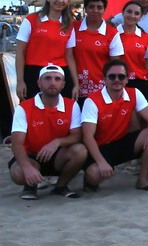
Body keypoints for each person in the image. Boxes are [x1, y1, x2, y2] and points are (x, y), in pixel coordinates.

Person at [81, 58, 148, 193]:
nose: (117, 80)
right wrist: (101, 162)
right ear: (104, 79)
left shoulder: (134, 93)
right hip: (101, 147)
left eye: (121, 76)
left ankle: (142, 180)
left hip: (123, 142)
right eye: (112, 76)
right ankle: (89, 182)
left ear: (127, 79)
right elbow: (88, 137)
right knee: (94, 175)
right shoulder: (92, 100)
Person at [8, 64, 88, 200]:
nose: (52, 83)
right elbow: (16, 143)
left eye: (57, 79)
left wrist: (57, 142)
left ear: (63, 84)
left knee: (80, 151)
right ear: (39, 83)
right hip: (32, 156)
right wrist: (27, 167)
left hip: (58, 156)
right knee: (18, 173)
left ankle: (61, 186)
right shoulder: (24, 107)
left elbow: (77, 136)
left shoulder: (72, 105)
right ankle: (30, 185)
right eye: (48, 78)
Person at [15, 0, 77, 100]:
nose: (60, 0)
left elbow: (69, 56)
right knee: (32, 113)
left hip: (60, 73)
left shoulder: (69, 25)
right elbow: (20, 52)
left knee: (61, 113)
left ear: (68, 1)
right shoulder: (31, 20)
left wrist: (76, 84)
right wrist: (20, 81)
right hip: (34, 72)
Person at [71, 0, 125, 100]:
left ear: (104, 9)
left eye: (99, 7)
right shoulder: (73, 28)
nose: (95, 11)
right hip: (74, 88)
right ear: (85, 9)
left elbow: (115, 64)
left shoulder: (112, 33)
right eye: (91, 7)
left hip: (102, 90)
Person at [117, 0, 148, 101]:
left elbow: (147, 62)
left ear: (140, 17)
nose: (132, 15)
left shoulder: (145, 37)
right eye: (129, 11)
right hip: (118, 81)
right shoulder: (113, 34)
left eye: (137, 13)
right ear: (123, 13)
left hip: (140, 83)